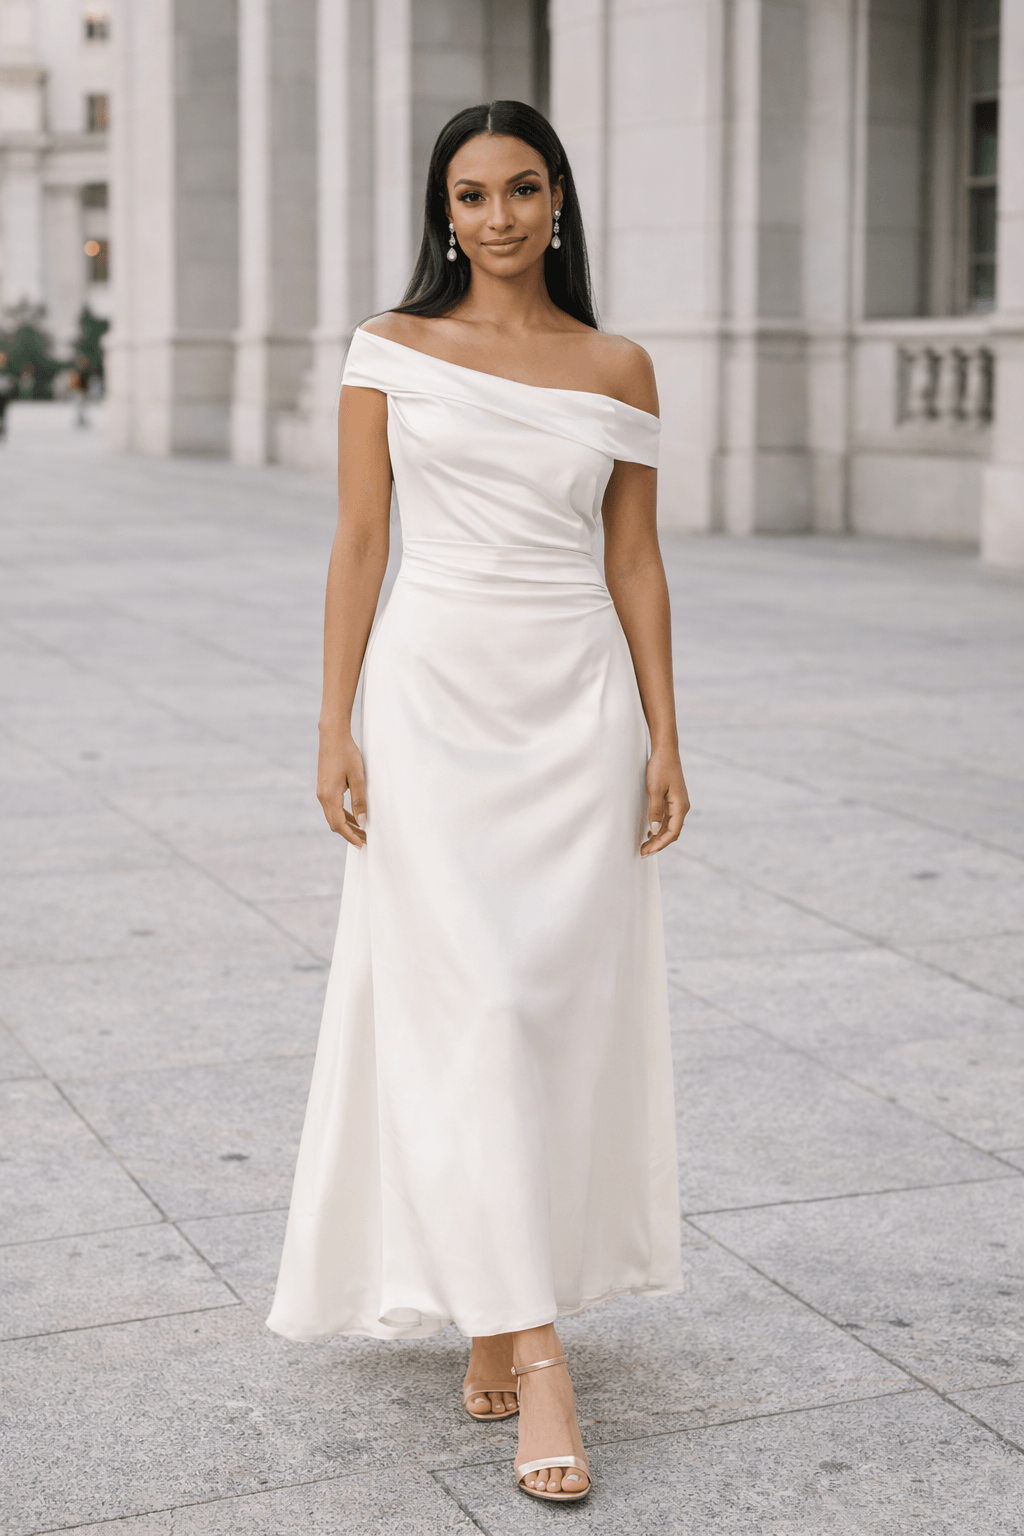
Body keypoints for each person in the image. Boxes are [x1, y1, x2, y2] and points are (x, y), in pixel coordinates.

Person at [267, 100, 690, 1506]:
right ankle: (540, 1358)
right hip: (435, 701)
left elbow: (634, 562)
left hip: (574, 710)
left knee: (551, 1012)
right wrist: (332, 722)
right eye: (471, 194)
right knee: (481, 1006)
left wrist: (665, 735)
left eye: (522, 189)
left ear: (558, 202)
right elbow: (360, 537)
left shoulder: (616, 363)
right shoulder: (390, 350)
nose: (498, 217)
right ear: (441, 211)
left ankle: (499, 1307)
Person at [0, 352, 13, 440]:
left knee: (2, 416)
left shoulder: (7, 370)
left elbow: (11, 382)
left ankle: (2, 432)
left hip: (3, 396)